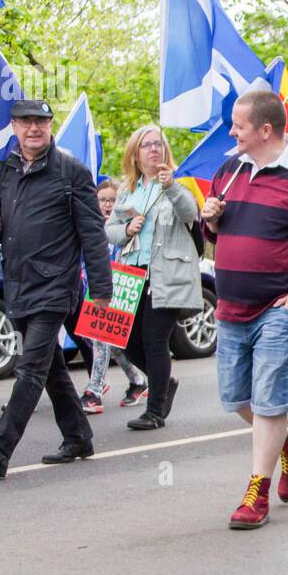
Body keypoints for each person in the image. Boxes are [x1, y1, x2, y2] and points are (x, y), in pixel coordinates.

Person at [201, 90, 288, 530]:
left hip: (280, 307)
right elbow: (215, 239)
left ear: (264, 129)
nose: (231, 131)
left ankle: (255, 493)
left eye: (239, 125)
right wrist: (211, 219)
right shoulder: (229, 168)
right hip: (230, 306)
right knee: (235, 398)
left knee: (268, 400)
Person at [0, 99, 114, 478]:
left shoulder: (71, 173)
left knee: (30, 366)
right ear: (14, 127)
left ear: (50, 128)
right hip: (19, 283)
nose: (34, 129)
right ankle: (78, 435)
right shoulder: (7, 171)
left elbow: (92, 234)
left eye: (41, 123)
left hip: (56, 285)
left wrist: (101, 288)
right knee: (51, 369)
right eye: (27, 122)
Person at [106, 125, 201, 430]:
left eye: (158, 144)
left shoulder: (178, 182)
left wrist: (171, 186)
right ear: (135, 154)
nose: (154, 149)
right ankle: (164, 380)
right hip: (132, 273)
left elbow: (190, 216)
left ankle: (154, 410)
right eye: (146, 145)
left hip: (165, 274)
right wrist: (126, 230)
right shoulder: (127, 190)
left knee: (154, 337)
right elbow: (109, 230)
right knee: (125, 341)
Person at [80, 178, 149, 414]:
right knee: (113, 344)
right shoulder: (90, 227)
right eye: (103, 200)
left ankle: (94, 391)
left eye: (112, 200)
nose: (108, 205)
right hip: (96, 291)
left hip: (122, 288)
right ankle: (139, 381)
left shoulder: (126, 226)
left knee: (102, 338)